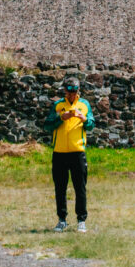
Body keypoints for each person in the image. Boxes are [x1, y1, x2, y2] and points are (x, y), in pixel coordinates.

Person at [44, 77, 94, 232]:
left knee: (80, 187)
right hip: (59, 152)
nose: (72, 94)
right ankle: (62, 219)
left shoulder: (84, 105)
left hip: (78, 151)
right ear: (65, 91)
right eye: (69, 91)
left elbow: (91, 125)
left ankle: (81, 220)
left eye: (75, 91)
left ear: (78, 91)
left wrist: (83, 118)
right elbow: (47, 125)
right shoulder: (58, 105)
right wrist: (60, 118)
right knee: (60, 187)